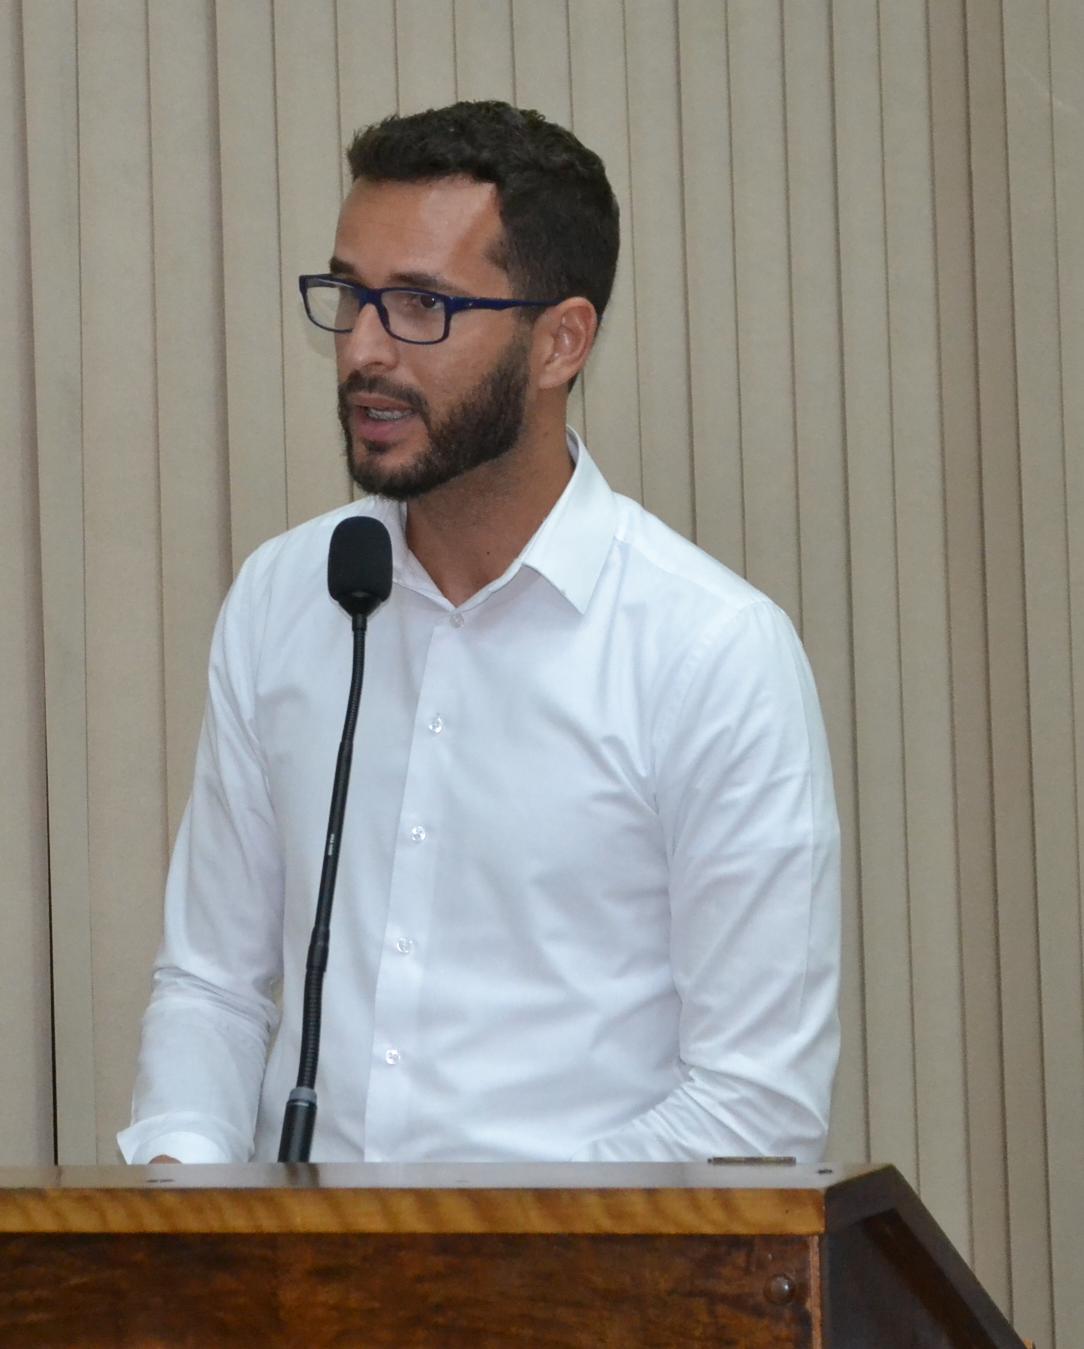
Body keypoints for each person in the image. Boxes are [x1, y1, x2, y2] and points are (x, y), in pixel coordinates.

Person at [118, 101, 841, 1165]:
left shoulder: (711, 653)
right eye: (351, 296)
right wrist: (187, 1192)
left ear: (560, 342)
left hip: (579, 1273)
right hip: (293, 1269)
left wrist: (466, 1243)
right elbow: (212, 987)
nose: (364, 350)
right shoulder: (286, 598)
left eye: (421, 305)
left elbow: (755, 1108)